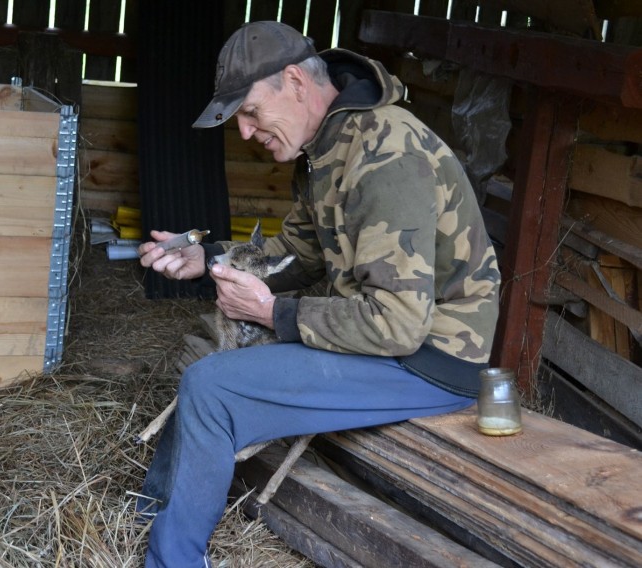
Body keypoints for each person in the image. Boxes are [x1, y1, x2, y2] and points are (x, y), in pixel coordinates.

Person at [136, 20, 500, 568]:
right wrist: (207, 259)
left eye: (252, 113)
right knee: (215, 376)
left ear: (294, 82)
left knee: (211, 387)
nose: (244, 132)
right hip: (380, 341)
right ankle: (147, 523)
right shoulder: (327, 148)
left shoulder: (385, 155)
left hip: (429, 357)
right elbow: (298, 255)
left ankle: (171, 560)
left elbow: (398, 323)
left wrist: (271, 312)